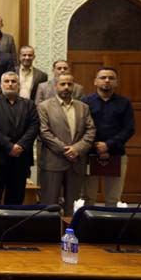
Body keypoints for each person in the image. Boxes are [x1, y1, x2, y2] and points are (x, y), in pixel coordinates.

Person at [38, 73, 96, 216]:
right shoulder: (44, 107)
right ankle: (50, 230)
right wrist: (65, 150)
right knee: (49, 205)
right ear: (55, 86)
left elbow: (90, 130)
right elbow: (44, 132)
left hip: (76, 162)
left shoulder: (83, 107)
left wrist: (77, 149)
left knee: (74, 206)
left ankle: (70, 229)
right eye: (62, 84)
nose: (66, 87)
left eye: (69, 84)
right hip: (53, 162)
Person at [81, 67, 135, 207]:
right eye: (103, 77)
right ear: (95, 81)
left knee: (113, 199)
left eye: (111, 78)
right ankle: (88, 221)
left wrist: (108, 145)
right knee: (88, 198)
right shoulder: (85, 102)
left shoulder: (124, 103)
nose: (107, 80)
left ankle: (110, 221)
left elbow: (129, 129)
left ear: (116, 82)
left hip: (116, 154)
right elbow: (81, 128)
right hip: (90, 154)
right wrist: (96, 145)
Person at [0, 72, 40, 205]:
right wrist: (9, 147)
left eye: (13, 81)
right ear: (1, 84)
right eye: (7, 81)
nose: (10, 84)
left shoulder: (29, 104)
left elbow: (34, 126)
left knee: (16, 199)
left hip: (21, 158)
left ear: (18, 85)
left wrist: (20, 145)